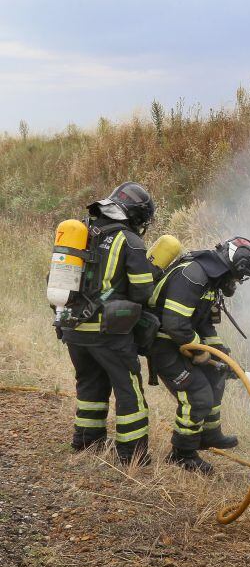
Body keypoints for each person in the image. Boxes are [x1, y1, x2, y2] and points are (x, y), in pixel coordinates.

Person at [60, 183, 157, 465]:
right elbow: (142, 292)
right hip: (108, 332)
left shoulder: (81, 232)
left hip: (72, 327)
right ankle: (132, 455)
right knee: (128, 390)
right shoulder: (130, 242)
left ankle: (87, 442)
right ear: (135, 216)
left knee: (90, 384)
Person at [147, 237, 250, 473]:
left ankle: (209, 434)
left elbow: (205, 325)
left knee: (214, 376)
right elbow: (175, 324)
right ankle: (182, 453)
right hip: (161, 344)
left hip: (178, 342)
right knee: (197, 394)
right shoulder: (193, 275)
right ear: (236, 265)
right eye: (241, 277)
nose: (238, 282)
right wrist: (200, 351)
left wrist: (220, 355)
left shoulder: (210, 282)